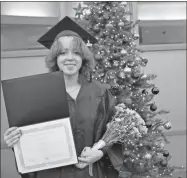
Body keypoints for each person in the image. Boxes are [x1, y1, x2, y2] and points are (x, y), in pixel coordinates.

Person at [4, 16, 119, 178]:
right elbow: (30, 139)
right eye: (63, 53)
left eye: (76, 53)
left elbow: (115, 134)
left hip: (88, 173)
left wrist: (100, 153)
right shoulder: (38, 94)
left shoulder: (101, 92)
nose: (70, 58)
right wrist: (15, 139)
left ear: (83, 58)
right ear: (55, 59)